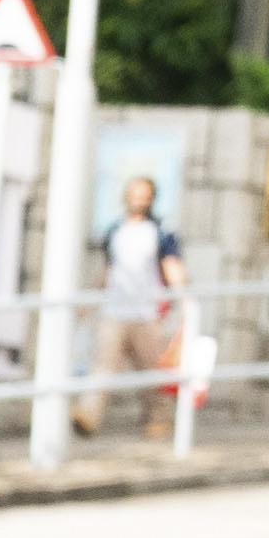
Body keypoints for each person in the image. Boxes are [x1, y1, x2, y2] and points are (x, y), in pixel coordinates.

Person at [91, 171, 188, 437]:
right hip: (115, 310)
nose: (139, 201)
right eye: (135, 195)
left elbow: (172, 268)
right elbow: (107, 270)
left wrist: (184, 299)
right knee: (102, 367)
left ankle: (158, 419)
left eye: (145, 196)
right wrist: (89, 301)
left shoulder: (160, 233)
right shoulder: (114, 231)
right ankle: (89, 415)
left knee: (151, 371)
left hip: (147, 313)